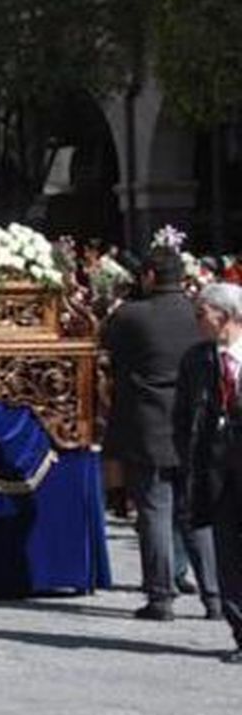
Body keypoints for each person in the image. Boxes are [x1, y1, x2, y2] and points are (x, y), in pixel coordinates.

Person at [103, 248, 219, 621]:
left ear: (149, 275)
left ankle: (160, 596)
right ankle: (214, 597)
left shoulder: (131, 315)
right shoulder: (197, 312)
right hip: (193, 425)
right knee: (195, 514)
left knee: (154, 512)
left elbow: (108, 350)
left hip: (147, 424)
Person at [177, 281, 242, 662]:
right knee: (227, 551)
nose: (197, 322)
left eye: (202, 315)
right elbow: (184, 415)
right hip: (216, 469)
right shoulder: (197, 360)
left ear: (226, 317)